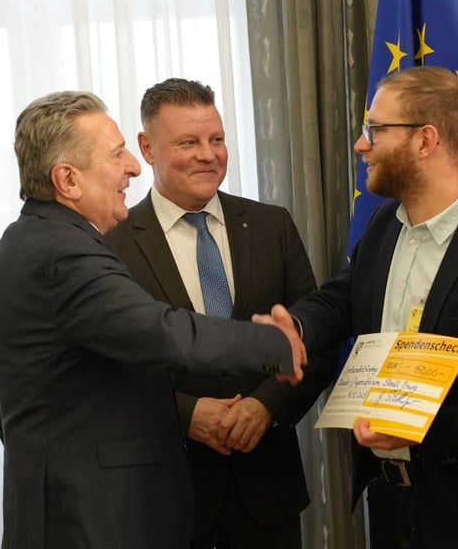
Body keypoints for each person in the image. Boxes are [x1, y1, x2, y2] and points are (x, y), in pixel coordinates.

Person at [0, 90, 307, 549]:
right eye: (116, 155)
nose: (133, 168)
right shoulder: (63, 251)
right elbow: (160, 332)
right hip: (87, 517)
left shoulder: (33, 240)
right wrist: (271, 344)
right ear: (68, 180)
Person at [268, 66, 458, 549]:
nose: (361, 145)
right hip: (386, 505)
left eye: (375, 130)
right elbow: (345, 296)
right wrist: (298, 325)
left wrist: (417, 426)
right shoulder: (385, 224)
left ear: (426, 141)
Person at [105, 78, 330, 549]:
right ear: (147, 147)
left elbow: (315, 343)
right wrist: (185, 414)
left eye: (217, 140)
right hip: (169, 498)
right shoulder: (112, 246)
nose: (208, 155)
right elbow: (109, 372)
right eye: (188, 142)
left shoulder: (272, 226)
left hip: (268, 498)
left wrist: (265, 406)